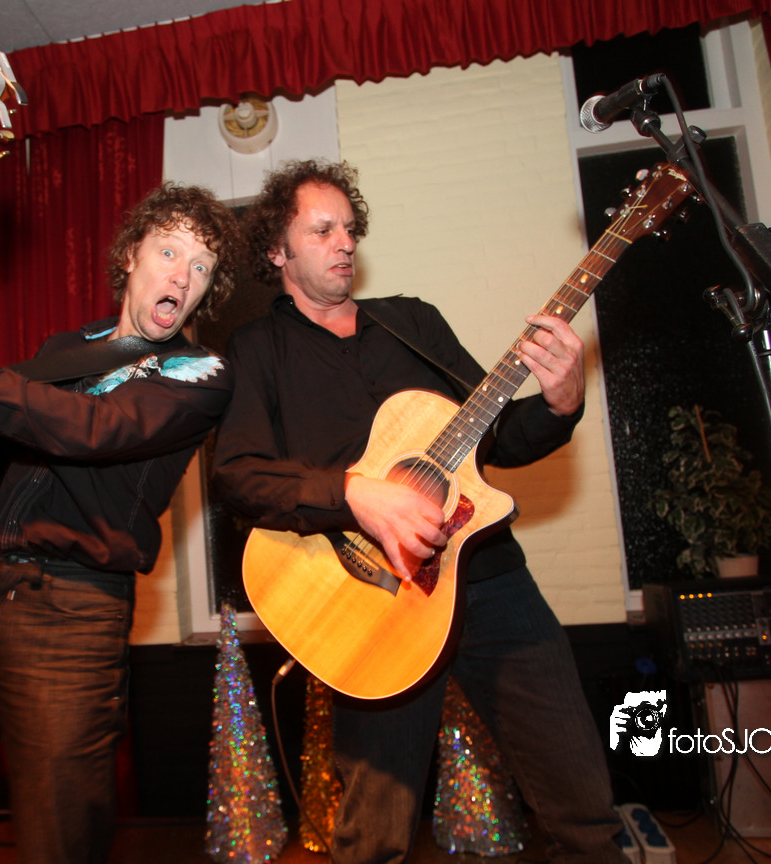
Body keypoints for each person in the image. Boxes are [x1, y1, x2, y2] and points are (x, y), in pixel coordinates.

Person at [212, 160, 623, 864]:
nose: (345, 242)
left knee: (584, 806)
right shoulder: (257, 350)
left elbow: (496, 438)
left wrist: (561, 404)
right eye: (322, 230)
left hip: (489, 582)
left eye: (350, 228)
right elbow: (239, 476)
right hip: (370, 602)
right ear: (278, 250)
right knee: (372, 837)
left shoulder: (411, 322)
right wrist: (354, 495)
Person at [0, 182, 242, 864]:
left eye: (200, 266)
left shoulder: (200, 372)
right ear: (130, 257)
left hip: (71, 611)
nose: (182, 274)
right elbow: (2, 426)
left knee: (59, 840)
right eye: (169, 251)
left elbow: (89, 429)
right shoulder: (69, 345)